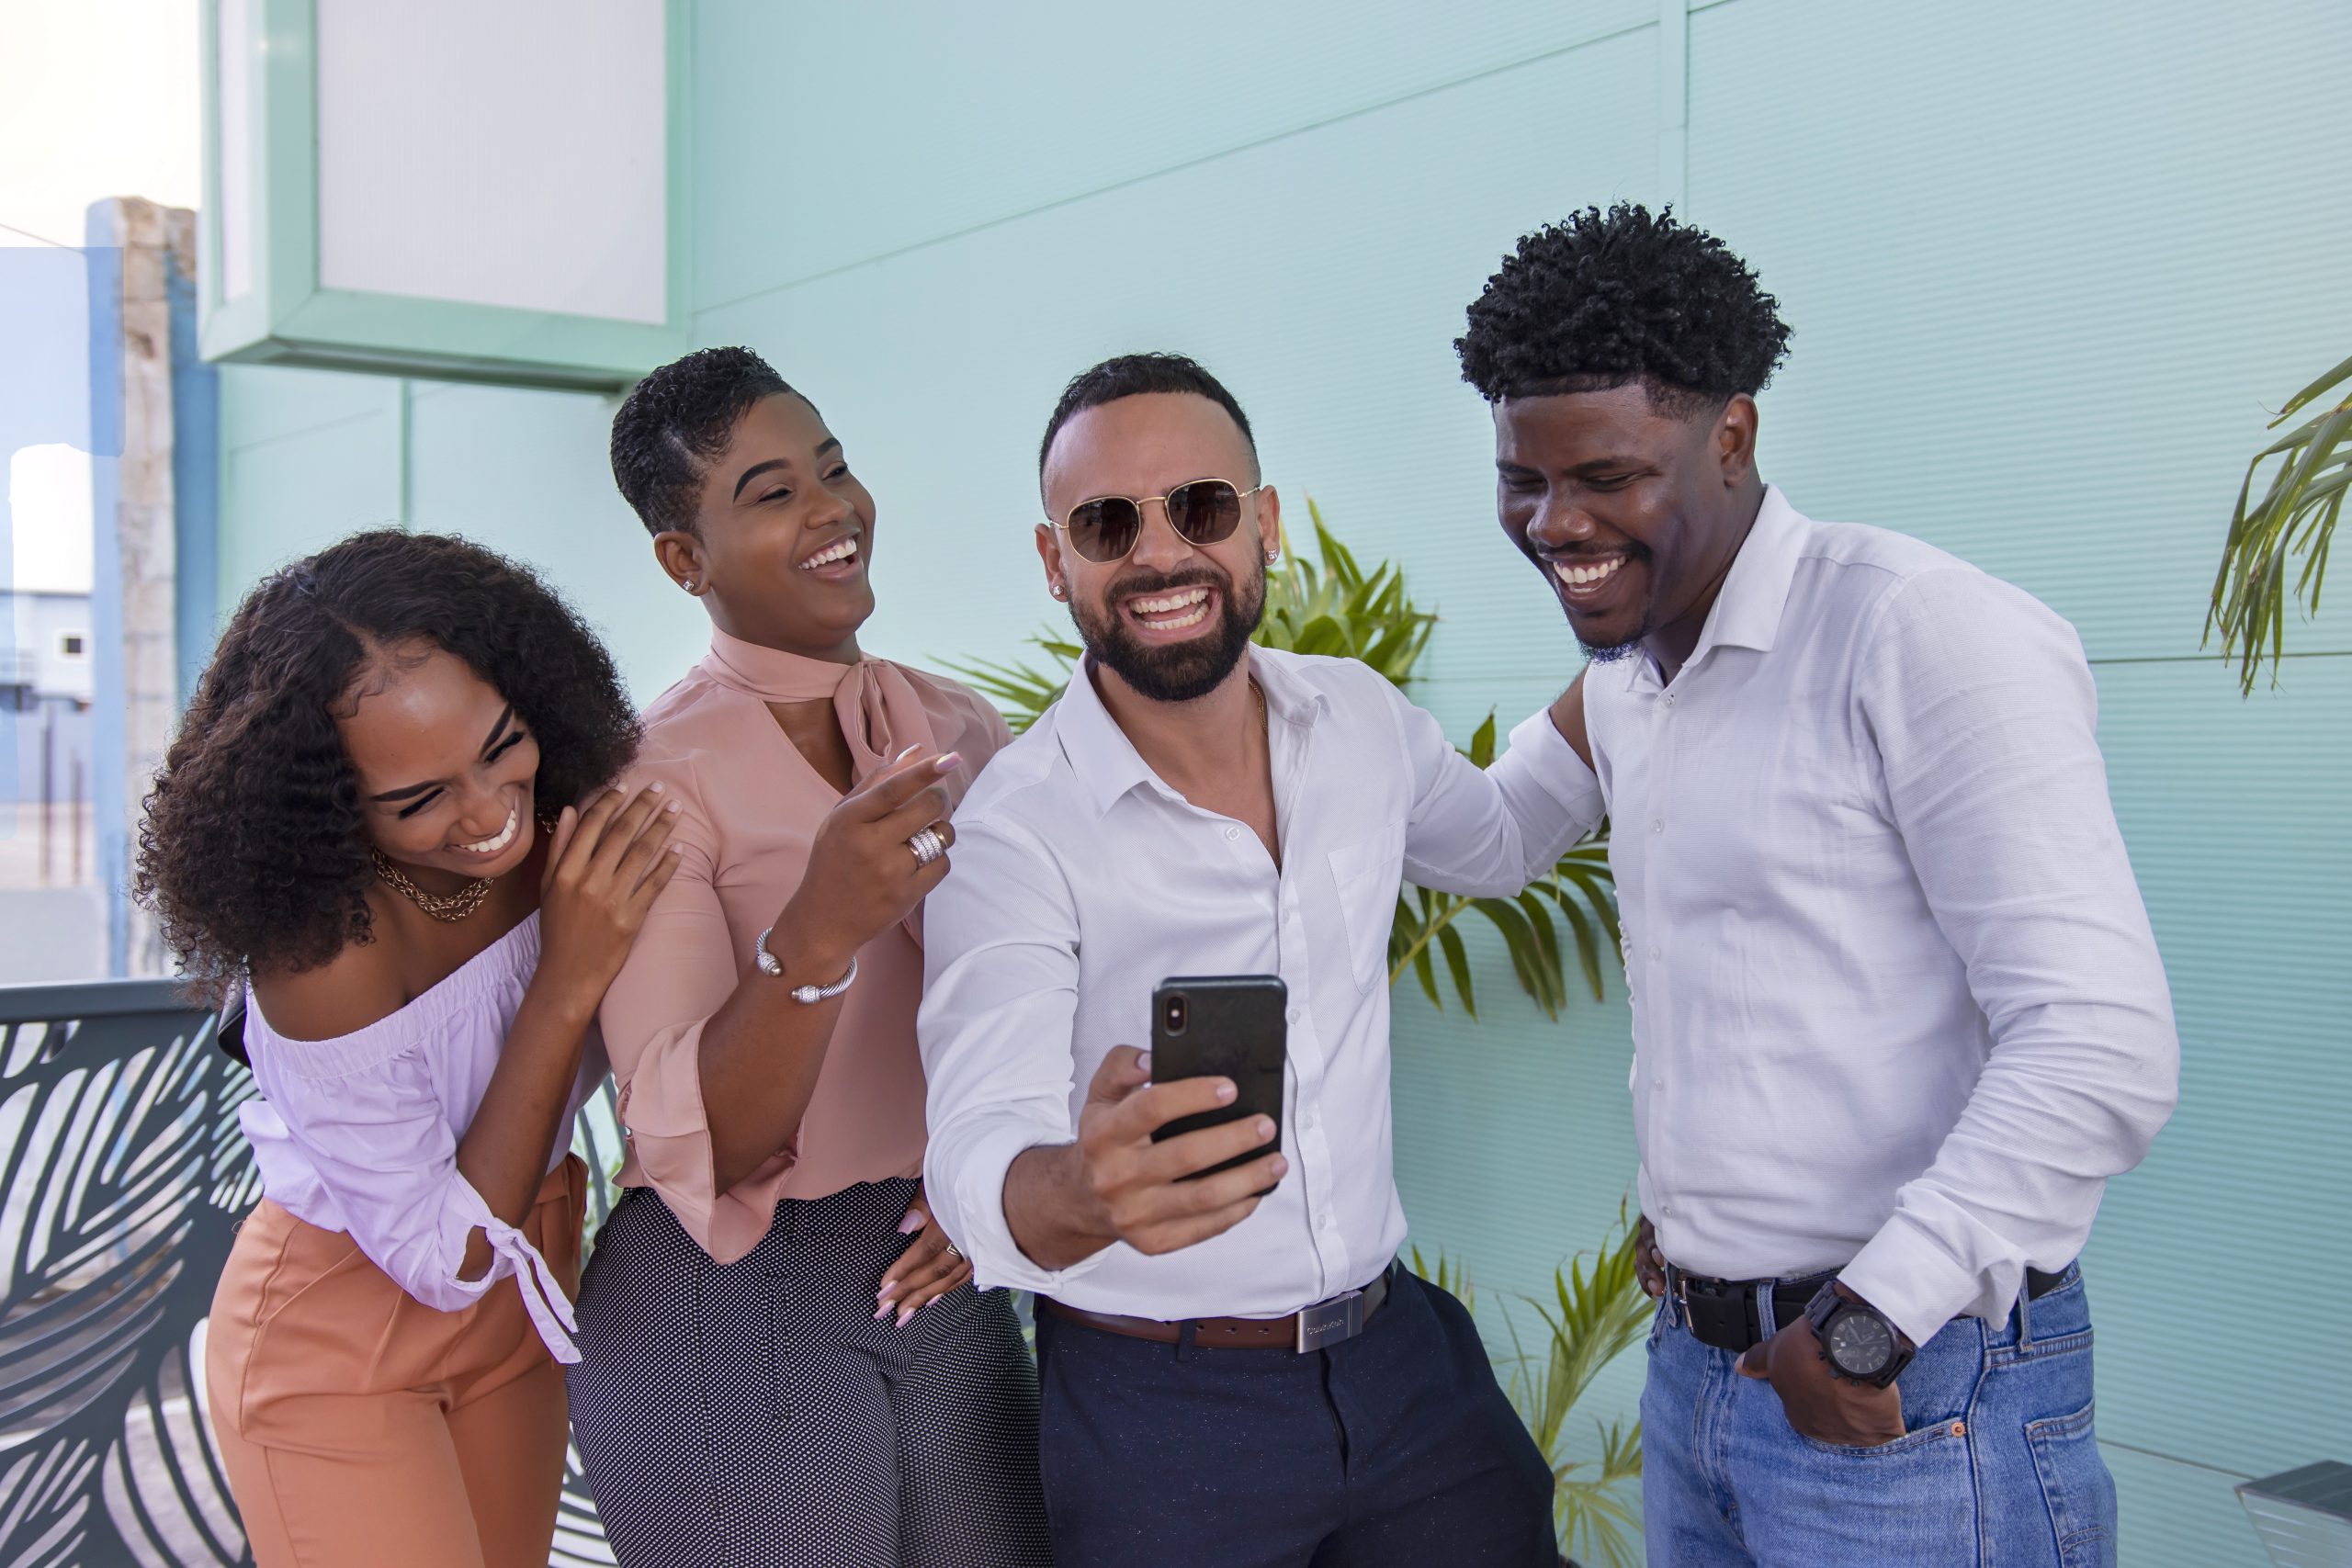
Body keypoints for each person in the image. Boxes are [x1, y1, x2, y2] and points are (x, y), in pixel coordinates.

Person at [1453, 203, 2179, 1566]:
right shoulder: (1632, 678)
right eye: (1521, 480)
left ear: (1732, 434)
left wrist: (1865, 1320)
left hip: (1908, 1390)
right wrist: (1250, 684)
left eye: (1606, 473)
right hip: (1704, 1380)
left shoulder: (1916, 631)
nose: (1557, 523)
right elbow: (1483, 840)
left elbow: (2102, 1040)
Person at [919, 352, 1595, 1567]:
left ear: (1264, 522)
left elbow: (1499, 839)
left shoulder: (1359, 720)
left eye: (1204, 506)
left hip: (1403, 1367)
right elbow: (976, 1134)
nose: (1162, 552)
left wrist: (1641, 663)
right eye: (1107, 522)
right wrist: (1075, 1186)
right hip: (1156, 1416)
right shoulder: (1016, 827)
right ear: (1054, 560)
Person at [565, 346, 1050, 1568]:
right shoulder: (651, 783)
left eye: (833, 468)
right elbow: (701, 1147)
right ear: (686, 560)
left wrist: (980, 1170)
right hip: (726, 1290)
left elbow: (1032, 990)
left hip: (936, 1259)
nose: (834, 509)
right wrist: (818, 930)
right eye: (772, 491)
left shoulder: (958, 727)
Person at [137, 531, 677, 1568]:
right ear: (328, 808)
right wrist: (566, 980)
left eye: (499, 745)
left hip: (529, 1279)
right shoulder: (322, 949)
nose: (485, 814)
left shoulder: (569, 820)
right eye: (417, 800)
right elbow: (446, 1256)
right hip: (343, 1327)